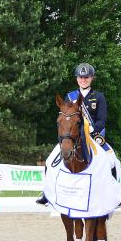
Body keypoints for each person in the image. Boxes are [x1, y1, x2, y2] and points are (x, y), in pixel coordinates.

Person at [36, 62, 108, 205]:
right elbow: (65, 118)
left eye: (86, 77)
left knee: (111, 161)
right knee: (50, 161)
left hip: (92, 136)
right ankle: (47, 193)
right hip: (71, 137)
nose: (84, 80)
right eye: (81, 77)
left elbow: (102, 119)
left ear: (92, 78)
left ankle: (115, 194)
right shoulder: (70, 97)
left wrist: (92, 130)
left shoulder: (98, 97)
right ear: (77, 79)